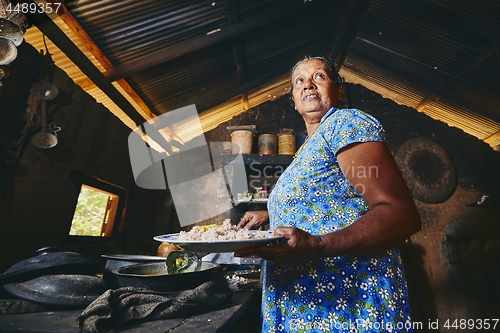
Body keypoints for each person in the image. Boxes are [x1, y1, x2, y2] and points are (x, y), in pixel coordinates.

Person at [235, 56, 421, 333]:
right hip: (306, 302)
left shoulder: (345, 123)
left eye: (319, 77)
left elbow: (399, 213)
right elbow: (333, 197)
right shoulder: (309, 146)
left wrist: (316, 245)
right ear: (294, 100)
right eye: (299, 81)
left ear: (339, 90)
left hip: (344, 302)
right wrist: (271, 213)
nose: (308, 85)